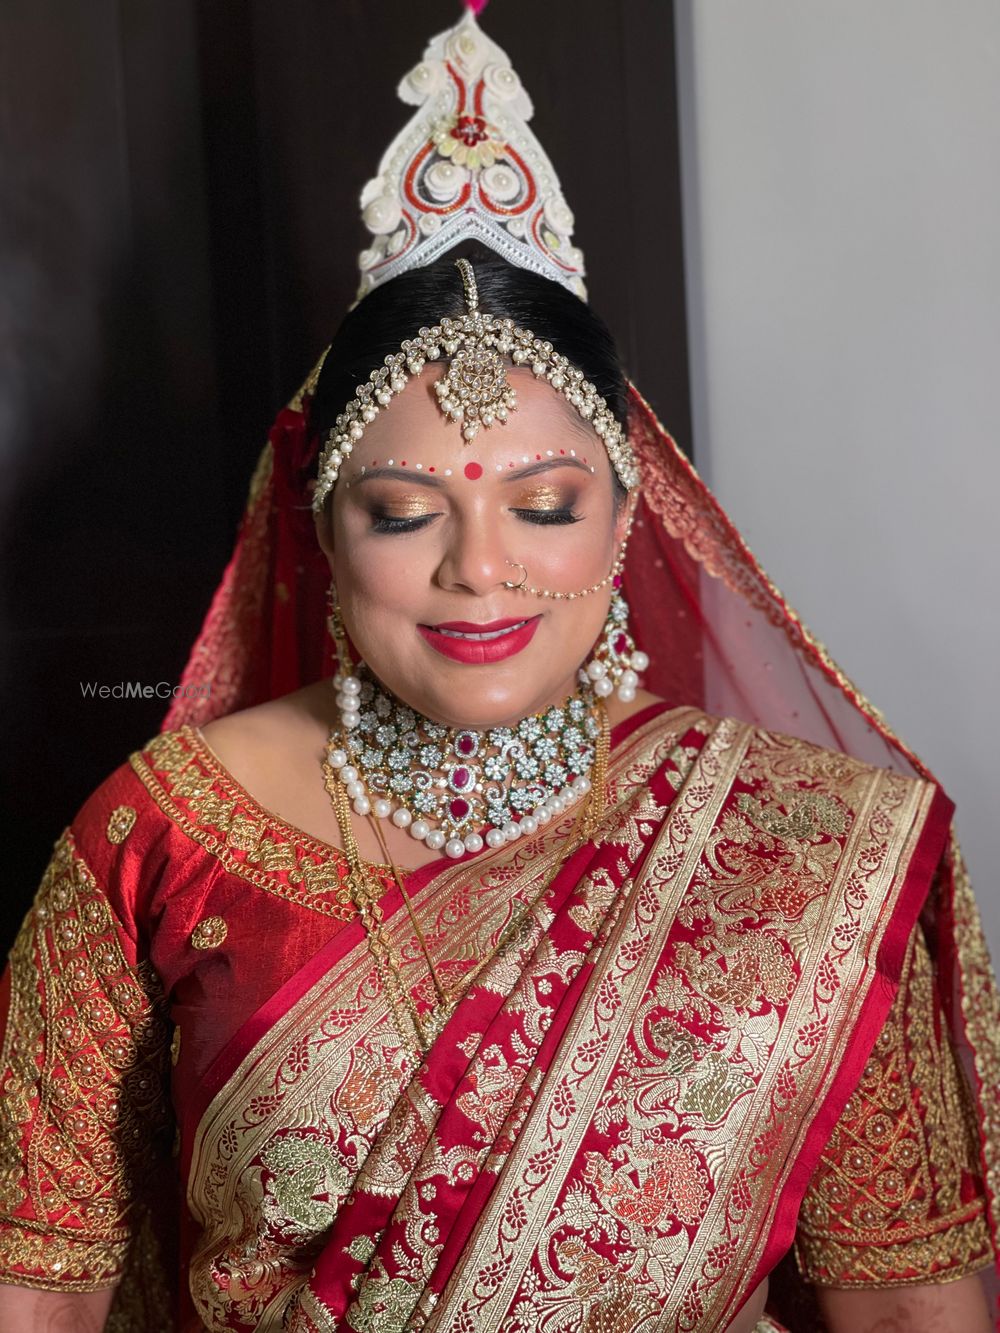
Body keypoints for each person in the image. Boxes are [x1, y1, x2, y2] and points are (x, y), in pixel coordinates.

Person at [0, 10, 996, 1332]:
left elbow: (913, 1307)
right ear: (321, 522)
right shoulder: (152, 842)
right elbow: (40, 1293)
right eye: (406, 512)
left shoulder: (805, 854)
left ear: (628, 518)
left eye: (544, 504)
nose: (482, 570)